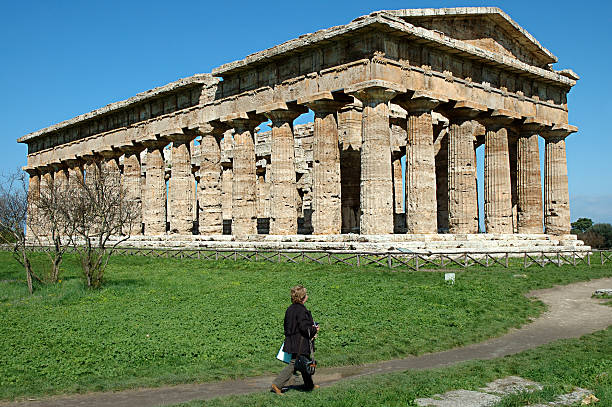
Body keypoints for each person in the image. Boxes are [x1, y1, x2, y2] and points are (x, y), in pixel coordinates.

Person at [271, 285, 320, 394]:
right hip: (300, 341)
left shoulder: (290, 309)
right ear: (303, 297)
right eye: (306, 294)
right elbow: (304, 327)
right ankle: (277, 384)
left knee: (304, 362)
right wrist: (314, 330)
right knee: (295, 363)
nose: (307, 296)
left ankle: (309, 385)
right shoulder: (301, 310)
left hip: (292, 339)